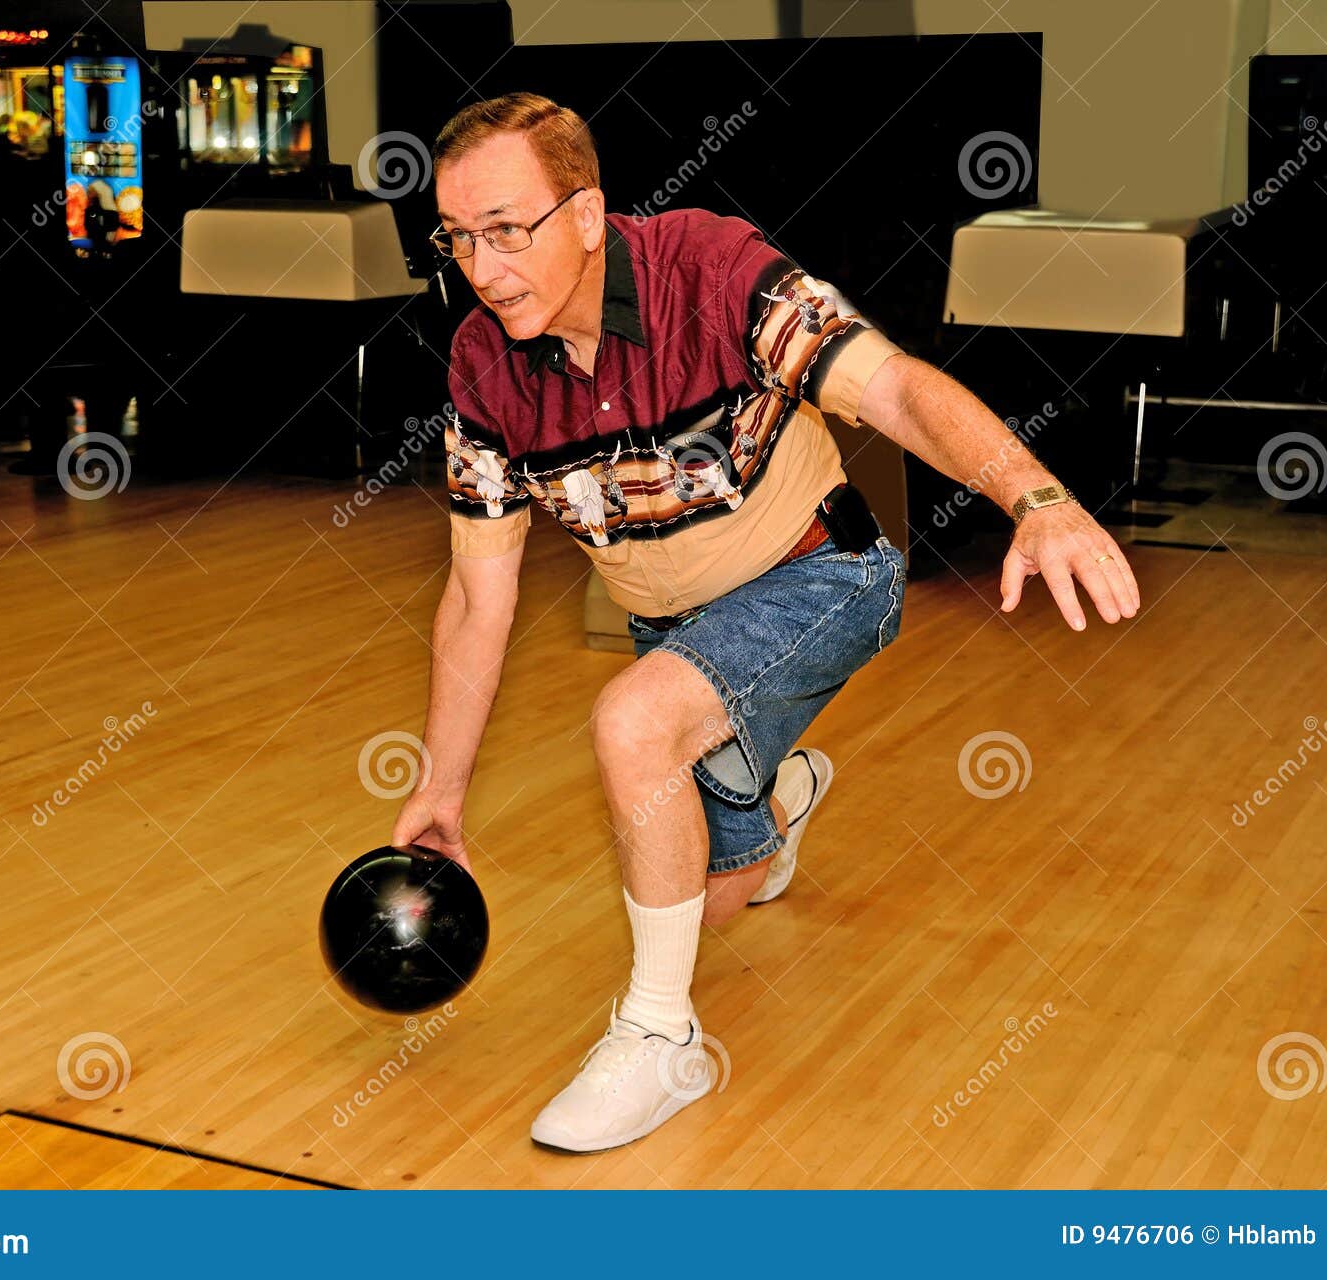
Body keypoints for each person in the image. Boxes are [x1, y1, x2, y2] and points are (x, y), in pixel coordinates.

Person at [390, 92, 1140, 1153]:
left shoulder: (712, 272)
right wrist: (443, 791)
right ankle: (780, 793)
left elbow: (894, 391)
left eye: (508, 229)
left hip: (822, 575)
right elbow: (478, 593)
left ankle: (661, 1040)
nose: (483, 264)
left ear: (589, 214)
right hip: (676, 629)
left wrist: (1035, 496)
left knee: (633, 721)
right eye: (458, 236)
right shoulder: (482, 362)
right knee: (715, 894)